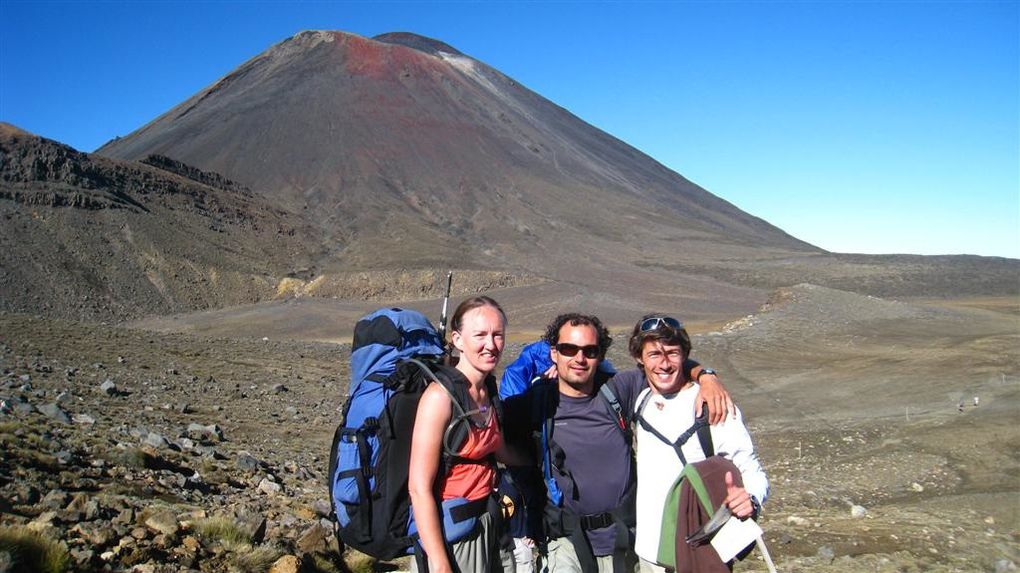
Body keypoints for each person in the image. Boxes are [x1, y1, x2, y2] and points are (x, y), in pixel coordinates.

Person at [503, 313, 733, 573]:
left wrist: (706, 376)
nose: (580, 358)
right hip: (566, 543)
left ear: (600, 355)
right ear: (554, 353)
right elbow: (489, 429)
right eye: (569, 349)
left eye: (590, 350)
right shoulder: (535, 405)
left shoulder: (618, 390)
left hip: (626, 541)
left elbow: (664, 364)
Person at [627, 315, 768, 573]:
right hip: (647, 551)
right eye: (654, 354)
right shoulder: (642, 401)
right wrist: (706, 374)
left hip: (696, 551)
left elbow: (751, 467)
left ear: (684, 355)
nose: (665, 364)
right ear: (639, 358)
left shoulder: (713, 406)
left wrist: (752, 499)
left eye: (673, 353)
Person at [408, 296, 524, 573]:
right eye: (480, 335)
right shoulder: (440, 398)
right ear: (458, 340)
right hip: (454, 536)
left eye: (498, 335)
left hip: (490, 524)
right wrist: (439, 563)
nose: (491, 345)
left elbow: (500, 450)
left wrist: (544, 461)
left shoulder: (488, 390)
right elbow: (419, 487)